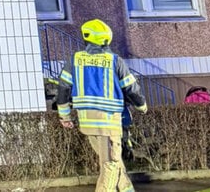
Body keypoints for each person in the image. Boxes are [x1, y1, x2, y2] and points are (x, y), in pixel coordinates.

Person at [56, 19, 147, 192]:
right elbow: (131, 88)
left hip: (87, 123)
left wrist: (65, 116)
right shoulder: (114, 61)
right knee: (110, 164)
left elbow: (63, 88)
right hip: (109, 123)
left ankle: (127, 189)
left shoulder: (75, 60)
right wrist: (141, 106)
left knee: (113, 162)